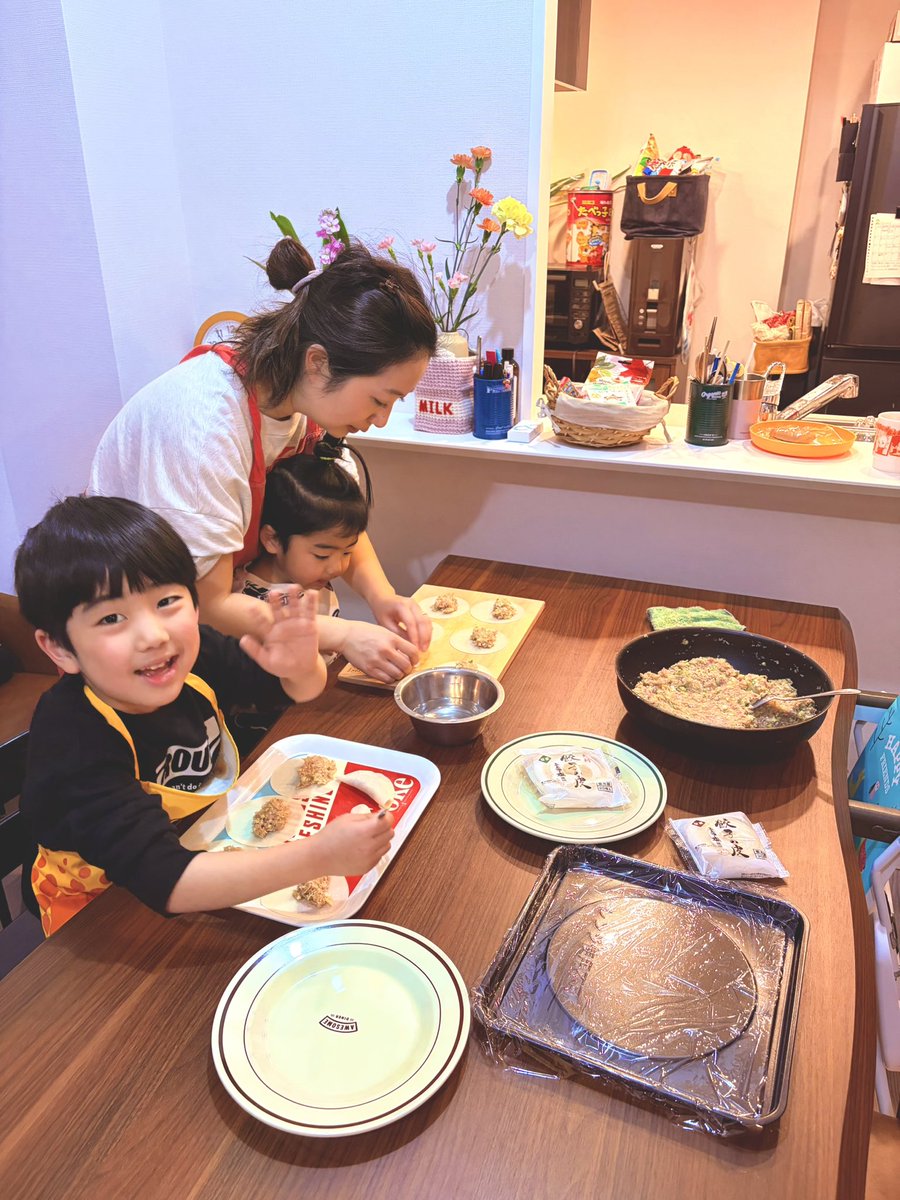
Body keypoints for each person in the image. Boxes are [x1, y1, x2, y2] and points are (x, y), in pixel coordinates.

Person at [15, 495, 393, 936]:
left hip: (198, 854)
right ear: (60, 648)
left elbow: (299, 690)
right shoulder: (73, 735)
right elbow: (168, 881)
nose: (154, 635)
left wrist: (301, 664)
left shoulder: (196, 653)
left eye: (167, 602)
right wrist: (317, 857)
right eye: (112, 618)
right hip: (103, 913)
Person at [89, 237, 436, 683]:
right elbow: (208, 603)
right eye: (379, 399)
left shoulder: (296, 405)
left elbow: (335, 521)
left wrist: (383, 597)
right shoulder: (205, 424)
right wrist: (343, 634)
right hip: (130, 634)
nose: (382, 420)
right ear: (318, 363)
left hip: (201, 625)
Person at [232, 435, 373, 638]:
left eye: (347, 552)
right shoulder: (252, 606)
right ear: (272, 539)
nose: (337, 568)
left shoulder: (308, 575)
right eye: (322, 555)